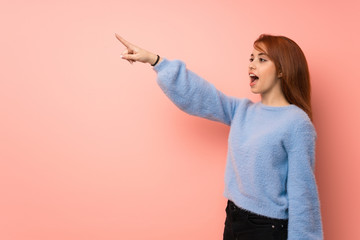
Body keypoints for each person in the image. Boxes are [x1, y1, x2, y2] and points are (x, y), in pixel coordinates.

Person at [115, 33, 323, 240]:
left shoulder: (296, 123)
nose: (251, 65)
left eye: (262, 59)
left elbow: (303, 196)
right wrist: (155, 60)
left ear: (282, 70)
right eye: (251, 58)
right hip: (233, 217)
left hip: (266, 228)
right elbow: (200, 95)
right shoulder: (242, 110)